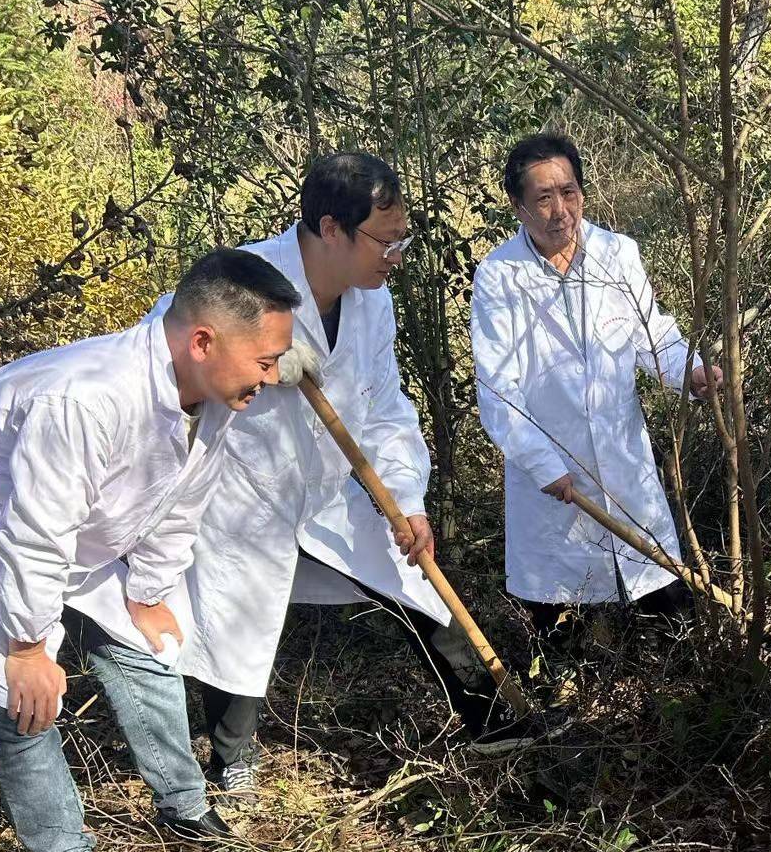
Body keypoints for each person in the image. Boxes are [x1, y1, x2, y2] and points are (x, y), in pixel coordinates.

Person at [169, 151, 520, 793]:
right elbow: (174, 351)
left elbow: (385, 406)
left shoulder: (368, 300)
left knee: (416, 586)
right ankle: (232, 766)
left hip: (327, 490)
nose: (396, 255)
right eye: (386, 241)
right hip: (240, 495)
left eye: (403, 239)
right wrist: (251, 361)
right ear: (331, 228)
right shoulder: (243, 280)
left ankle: (497, 727)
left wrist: (408, 500)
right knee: (239, 619)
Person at [0, 249, 299, 852]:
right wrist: (26, 647)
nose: (271, 379)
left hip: (80, 548)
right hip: (0, 546)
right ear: (204, 340)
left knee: (150, 653)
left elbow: (179, 505)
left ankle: (184, 807)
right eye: (265, 361)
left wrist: (148, 592)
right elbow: (33, 534)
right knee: (19, 705)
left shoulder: (213, 395)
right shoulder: (85, 396)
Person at [470, 132, 720, 651]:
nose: (560, 210)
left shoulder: (617, 254)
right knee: (564, 630)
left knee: (670, 610)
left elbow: (653, 338)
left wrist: (691, 373)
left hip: (623, 464)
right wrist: (543, 464)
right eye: (543, 198)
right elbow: (498, 388)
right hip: (554, 477)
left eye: (569, 192)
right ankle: (566, 714)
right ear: (518, 206)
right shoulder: (499, 276)